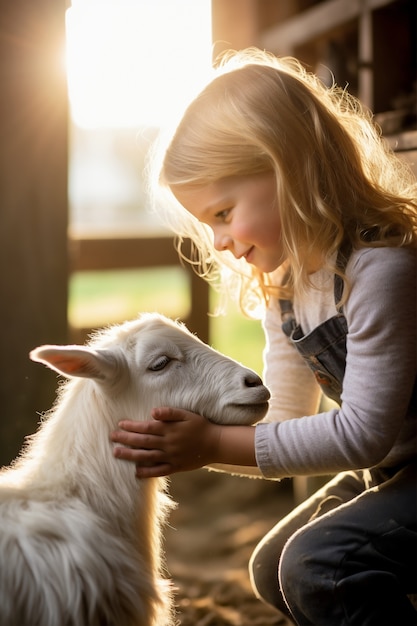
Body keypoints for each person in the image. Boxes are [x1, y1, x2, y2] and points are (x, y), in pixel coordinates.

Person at [110, 48, 417, 625]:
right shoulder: (287, 292)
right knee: (273, 564)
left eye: (224, 212)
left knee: (315, 566)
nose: (220, 240)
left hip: (394, 463)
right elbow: (281, 422)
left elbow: (363, 435)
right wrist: (188, 438)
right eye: (209, 224)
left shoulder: (382, 273)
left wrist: (210, 447)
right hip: (394, 475)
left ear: (289, 168)